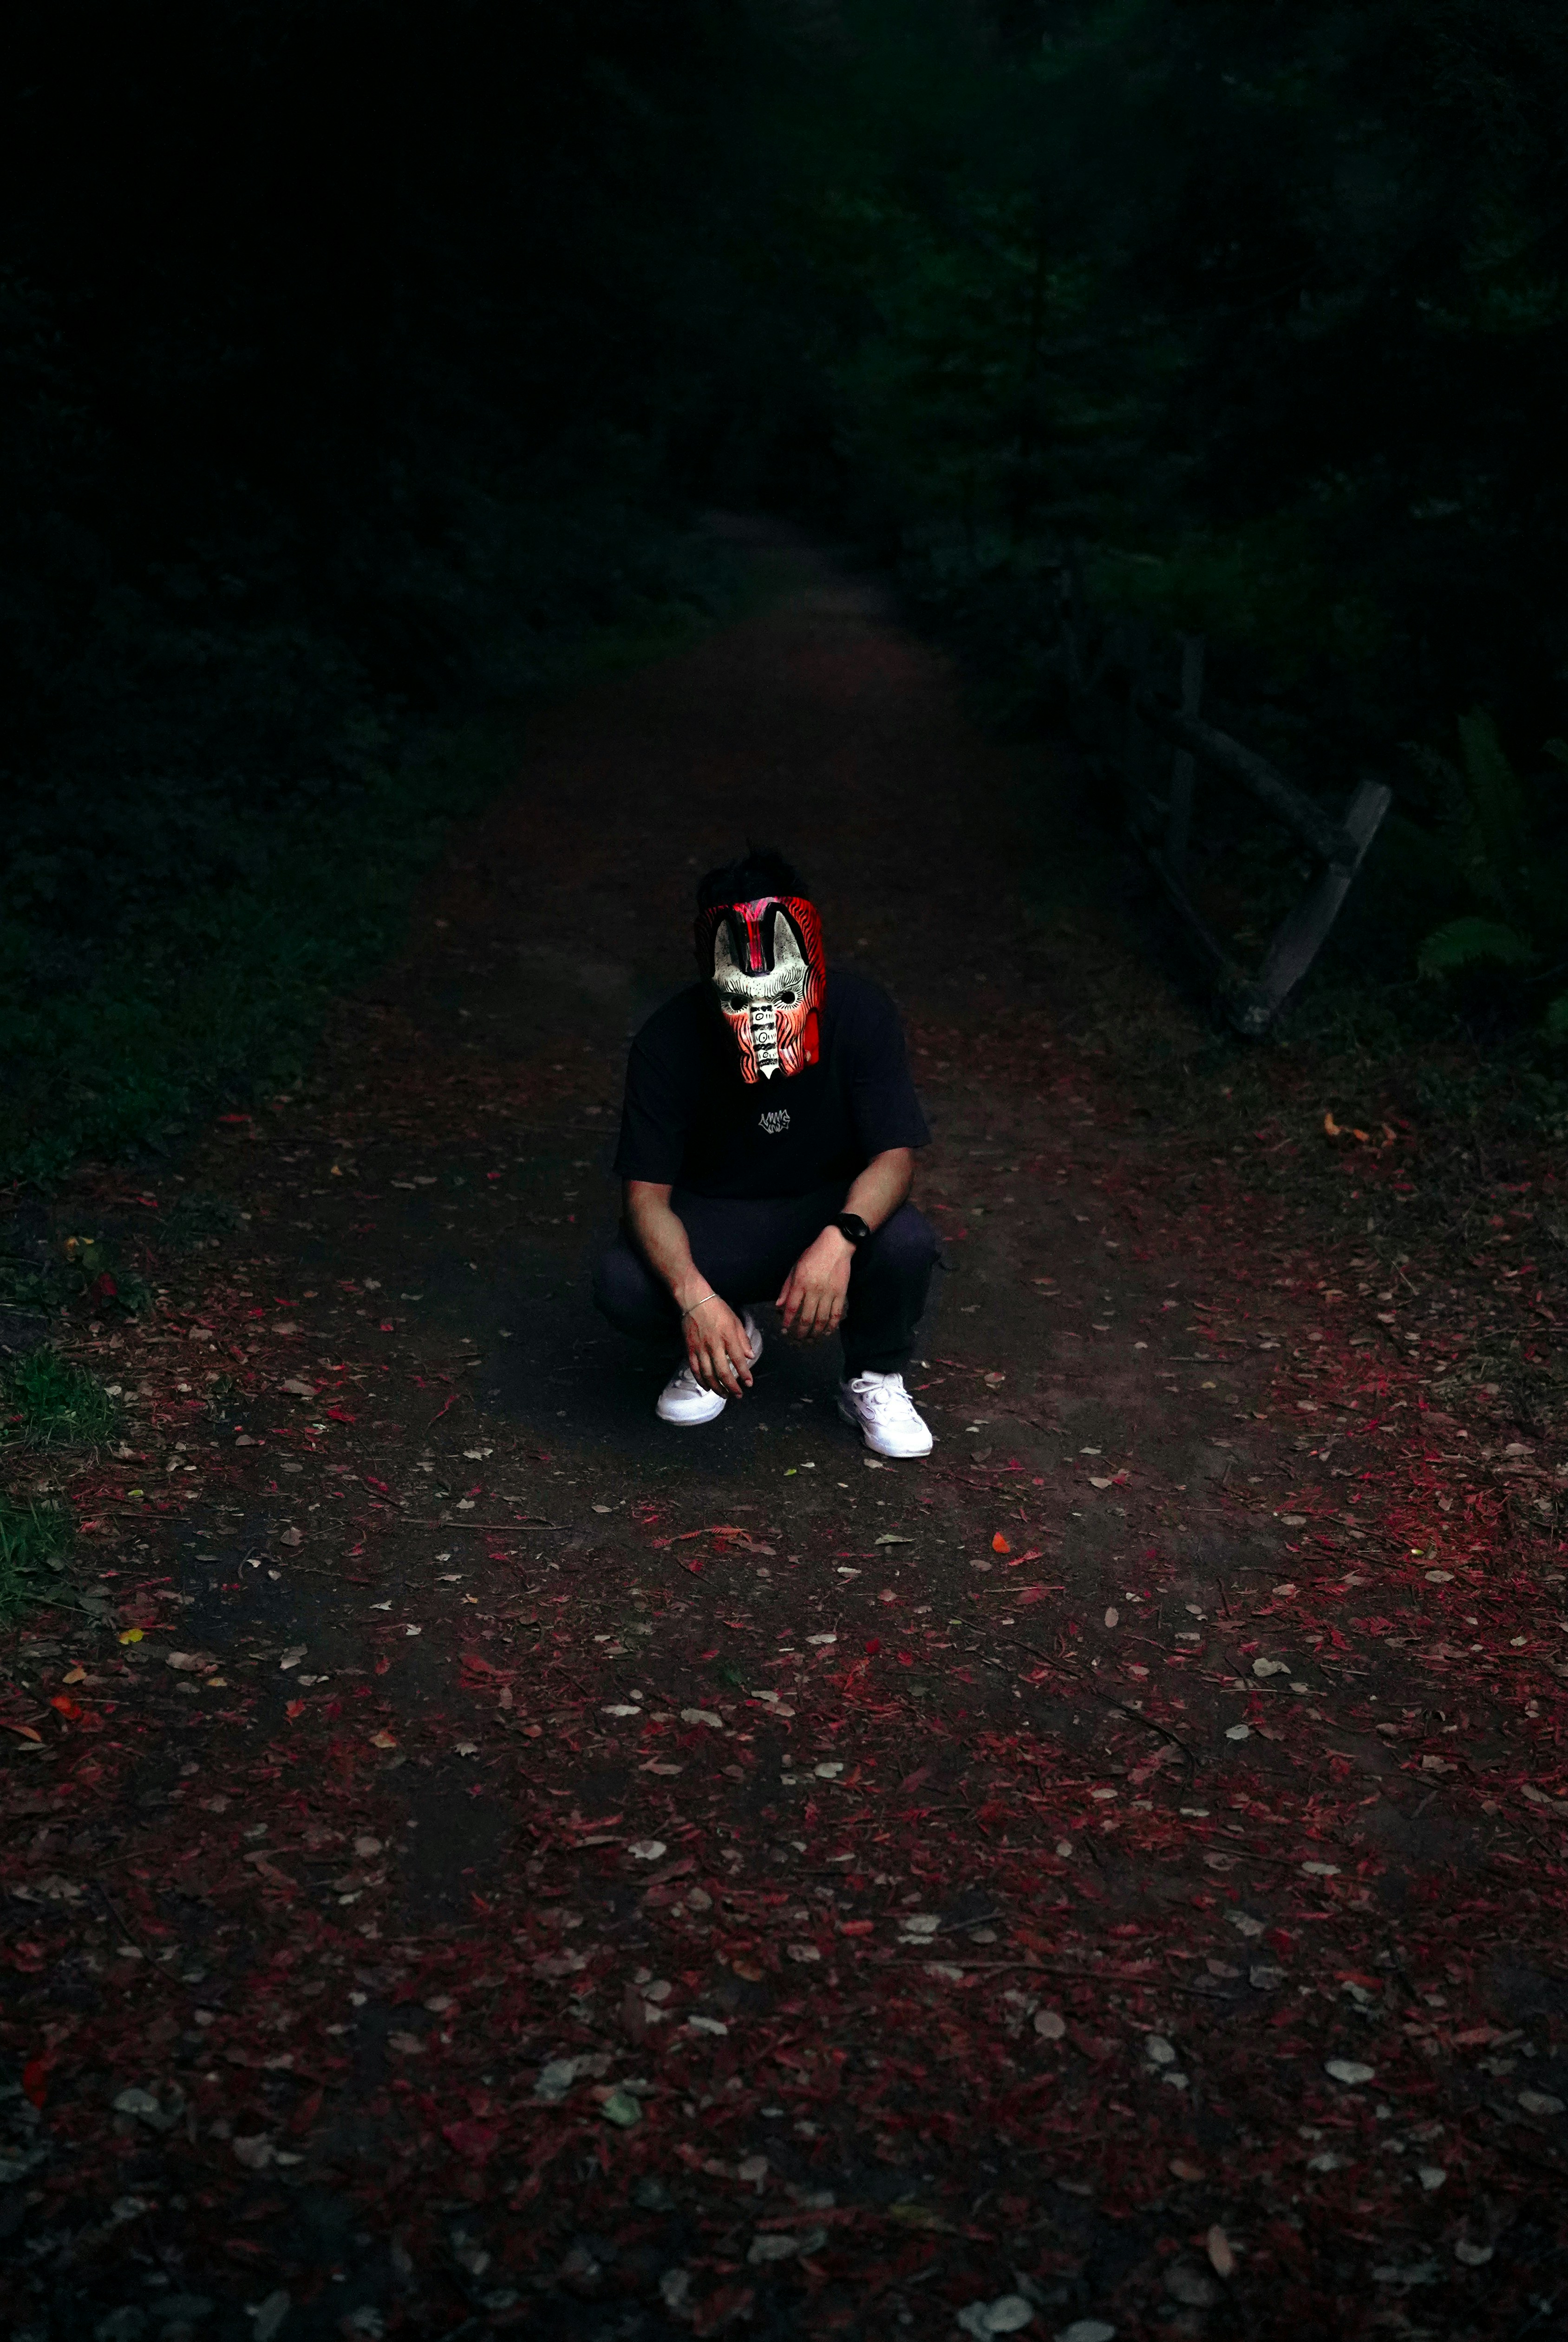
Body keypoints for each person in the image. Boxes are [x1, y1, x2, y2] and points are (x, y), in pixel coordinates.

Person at [593, 849, 938, 1459]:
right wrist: (696, 1297)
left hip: (824, 1209)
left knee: (906, 1240)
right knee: (624, 1281)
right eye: (737, 992)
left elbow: (895, 1156)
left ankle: (874, 1373)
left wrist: (841, 1240)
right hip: (721, 1221)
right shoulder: (667, 1041)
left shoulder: (860, 1013)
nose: (762, 1016)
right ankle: (726, 1332)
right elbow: (644, 1196)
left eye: (782, 990)